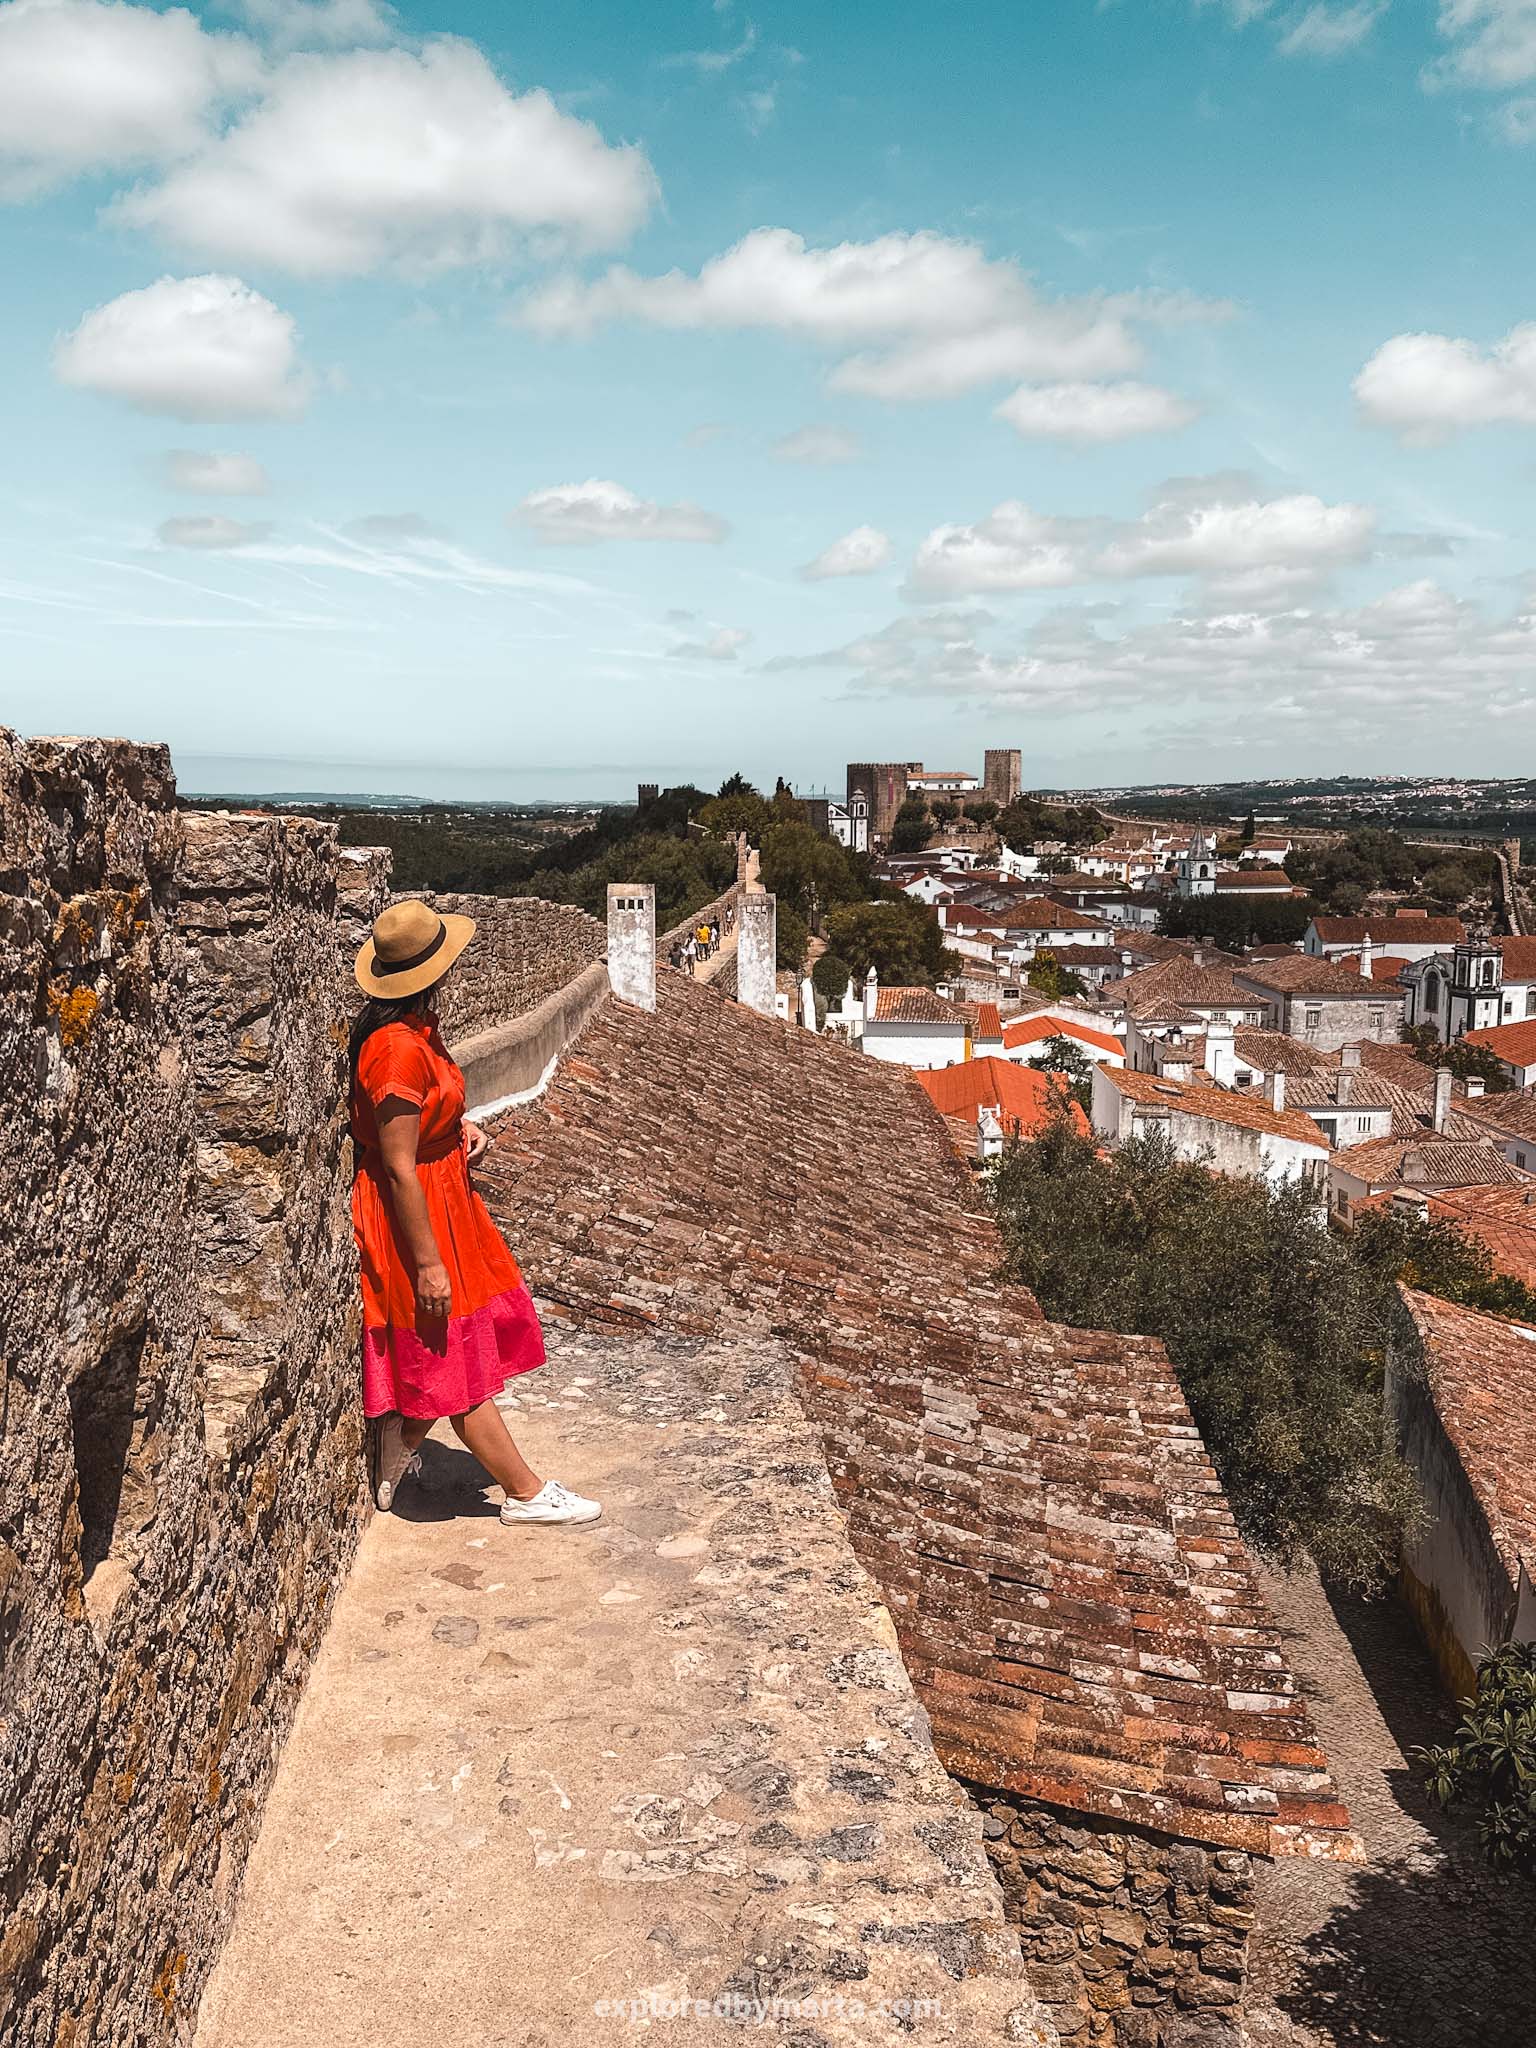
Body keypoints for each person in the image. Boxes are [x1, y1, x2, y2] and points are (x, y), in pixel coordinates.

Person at [349, 899, 600, 1527]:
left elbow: (419, 1127)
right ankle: (525, 1492)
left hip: (445, 1196)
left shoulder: (414, 1035)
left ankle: (401, 1444)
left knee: (453, 1340)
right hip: (417, 1213)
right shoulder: (395, 1051)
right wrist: (428, 1261)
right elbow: (399, 1163)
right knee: (452, 1354)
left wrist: (458, 1130)